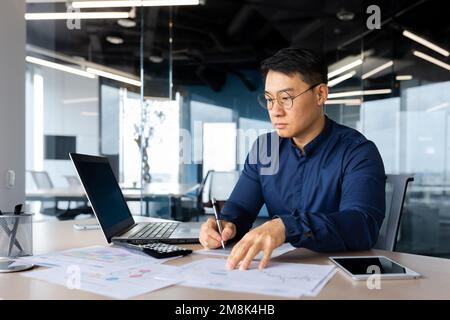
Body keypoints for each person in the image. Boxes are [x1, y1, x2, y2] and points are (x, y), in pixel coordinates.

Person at [199, 47, 386, 271]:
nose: (275, 111)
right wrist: (225, 227)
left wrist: (287, 227)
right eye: (269, 99)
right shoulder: (265, 148)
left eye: (286, 98)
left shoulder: (358, 151)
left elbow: (362, 226)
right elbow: (239, 209)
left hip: (338, 275)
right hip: (278, 272)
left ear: (320, 94)